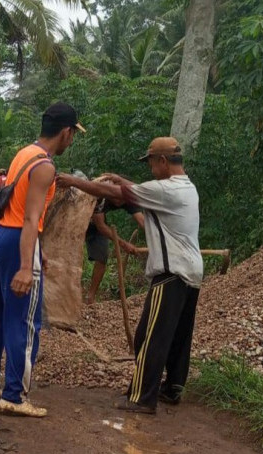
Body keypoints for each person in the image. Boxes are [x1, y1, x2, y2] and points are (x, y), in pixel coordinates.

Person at [56, 137, 202, 414]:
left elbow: (120, 193)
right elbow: (133, 188)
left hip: (171, 273)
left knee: (149, 337)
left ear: (161, 161)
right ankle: (172, 389)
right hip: (191, 272)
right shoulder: (186, 186)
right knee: (178, 337)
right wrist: (118, 177)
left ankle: (141, 398)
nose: (149, 168)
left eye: (150, 162)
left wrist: (73, 181)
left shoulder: (167, 190)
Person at [0, 102, 85, 417]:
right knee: (24, 320)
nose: (72, 141)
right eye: (73, 135)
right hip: (16, 241)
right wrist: (27, 265)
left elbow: (16, 207)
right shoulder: (45, 166)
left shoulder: (24, 154)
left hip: (0, 237)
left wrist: (39, 253)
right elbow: (30, 217)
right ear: (66, 132)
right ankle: (14, 394)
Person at [85, 197, 144, 304]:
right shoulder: (100, 196)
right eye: (115, 198)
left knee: (102, 257)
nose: (118, 201)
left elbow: (142, 221)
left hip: (95, 223)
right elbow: (101, 226)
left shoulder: (128, 199)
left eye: (120, 199)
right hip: (77, 217)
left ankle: (90, 297)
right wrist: (123, 244)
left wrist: (159, 238)